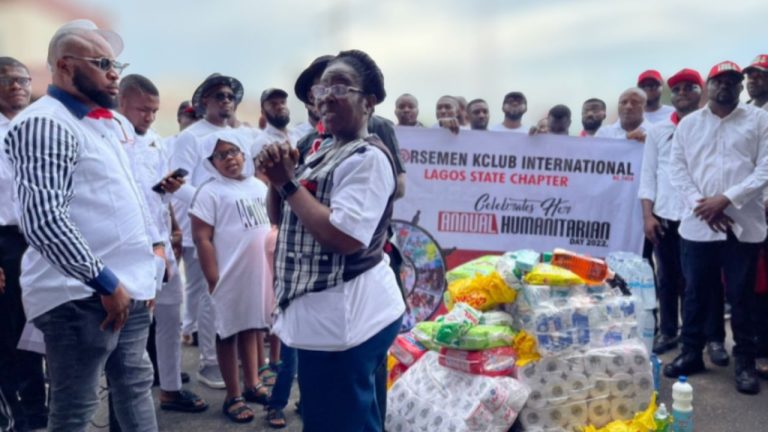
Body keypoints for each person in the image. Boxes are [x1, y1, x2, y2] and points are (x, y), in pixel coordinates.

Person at [4, 19, 162, 430]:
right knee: (76, 409)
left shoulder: (102, 124)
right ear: (65, 66)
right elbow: (44, 220)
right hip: (82, 295)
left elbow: (128, 202)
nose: (115, 73)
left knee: (135, 389)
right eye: (102, 62)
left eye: (117, 64)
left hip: (126, 287)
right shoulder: (46, 122)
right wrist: (105, 282)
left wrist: (145, 270)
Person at [258, 49, 405, 432]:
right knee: (341, 416)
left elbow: (344, 237)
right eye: (320, 88)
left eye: (338, 86)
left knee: (339, 421)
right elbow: (280, 217)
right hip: (326, 319)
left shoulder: (368, 157)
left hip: (346, 320)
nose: (324, 95)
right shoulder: (320, 148)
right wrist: (279, 178)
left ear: (368, 101)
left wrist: (288, 181)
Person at [666, 60, 768, 395]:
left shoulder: (760, 120)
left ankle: (745, 363)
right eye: (718, 81)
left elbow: (765, 169)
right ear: (708, 86)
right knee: (696, 293)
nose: (725, 87)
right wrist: (703, 205)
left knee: (742, 297)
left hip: (743, 225)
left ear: (740, 87)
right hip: (698, 225)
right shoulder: (689, 125)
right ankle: (692, 353)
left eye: (732, 82)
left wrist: (725, 199)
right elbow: (677, 170)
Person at [117, 74, 207, 414]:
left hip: (161, 244)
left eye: (155, 111)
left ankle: (169, 388)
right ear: (123, 102)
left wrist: (174, 228)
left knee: (171, 314)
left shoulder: (156, 140)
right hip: (127, 247)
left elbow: (162, 194)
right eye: (144, 110)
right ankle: (126, 401)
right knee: (132, 330)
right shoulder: (109, 139)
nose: (150, 117)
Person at [171, 73, 248, 389]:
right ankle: (210, 361)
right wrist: (212, 207)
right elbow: (175, 182)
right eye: (218, 96)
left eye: (230, 95)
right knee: (207, 294)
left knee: (237, 293)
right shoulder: (191, 137)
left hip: (236, 229)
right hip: (203, 229)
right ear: (204, 102)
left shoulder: (239, 135)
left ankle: (237, 357)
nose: (225, 100)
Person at [190, 130, 273, 423]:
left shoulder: (257, 187)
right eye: (221, 155)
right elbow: (202, 238)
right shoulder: (210, 192)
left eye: (233, 151)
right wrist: (213, 278)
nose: (229, 159)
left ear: (244, 153)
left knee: (251, 329)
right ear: (211, 162)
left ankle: (253, 383)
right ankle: (233, 394)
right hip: (228, 275)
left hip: (257, 273)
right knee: (227, 332)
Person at [639, 68, 705, 355]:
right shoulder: (658, 131)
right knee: (667, 278)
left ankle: (702, 337)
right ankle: (668, 332)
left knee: (698, 281)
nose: (682, 94)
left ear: (700, 93)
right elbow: (648, 175)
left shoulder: (709, 127)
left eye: (689, 88)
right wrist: (648, 215)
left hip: (701, 217)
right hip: (666, 215)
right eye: (676, 90)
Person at [0, 56, 48, 432]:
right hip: (5, 244)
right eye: (6, 80)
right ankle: (17, 414)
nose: (16, 85)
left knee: (40, 326)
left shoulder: (39, 127)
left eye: (22, 79)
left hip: (42, 240)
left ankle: (38, 409)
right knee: (10, 331)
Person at [744, 54, 768, 379]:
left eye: (761, 76)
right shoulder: (746, 114)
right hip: (751, 208)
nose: (754, 80)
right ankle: (759, 345)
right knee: (756, 284)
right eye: (751, 76)